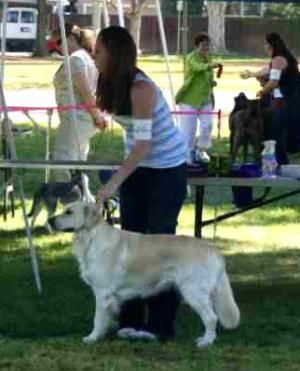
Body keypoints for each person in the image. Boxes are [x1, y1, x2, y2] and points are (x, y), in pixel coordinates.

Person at [95, 26, 187, 341]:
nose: (94, 56)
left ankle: (161, 325)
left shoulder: (141, 87)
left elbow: (143, 146)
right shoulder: (110, 83)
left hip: (166, 171)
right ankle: (129, 320)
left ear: (115, 54)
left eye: (99, 51)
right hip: (139, 171)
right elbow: (132, 139)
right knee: (129, 247)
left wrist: (112, 183)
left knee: (159, 247)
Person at [50, 23, 106, 189]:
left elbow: (86, 92)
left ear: (71, 38)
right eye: (54, 44)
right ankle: (82, 205)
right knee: (77, 165)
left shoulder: (76, 59)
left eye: (59, 42)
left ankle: (69, 202)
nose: (57, 47)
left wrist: (98, 117)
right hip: (81, 118)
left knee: (61, 161)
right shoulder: (85, 57)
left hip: (76, 118)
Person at [241, 32, 300, 165]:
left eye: (266, 43)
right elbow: (267, 70)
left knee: (276, 130)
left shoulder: (278, 59)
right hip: (290, 98)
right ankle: (281, 160)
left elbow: (273, 81)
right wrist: (251, 74)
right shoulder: (282, 58)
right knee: (277, 127)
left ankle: (281, 162)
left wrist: (262, 91)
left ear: (271, 45)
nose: (265, 46)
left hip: (292, 99)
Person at [175, 33, 221, 164]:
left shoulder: (208, 58)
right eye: (203, 45)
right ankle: (186, 155)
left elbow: (207, 78)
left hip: (205, 100)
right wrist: (209, 66)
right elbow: (197, 68)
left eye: (208, 44)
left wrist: (212, 85)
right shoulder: (191, 58)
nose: (206, 47)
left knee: (207, 125)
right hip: (189, 100)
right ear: (196, 46)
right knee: (188, 130)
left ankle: (201, 150)